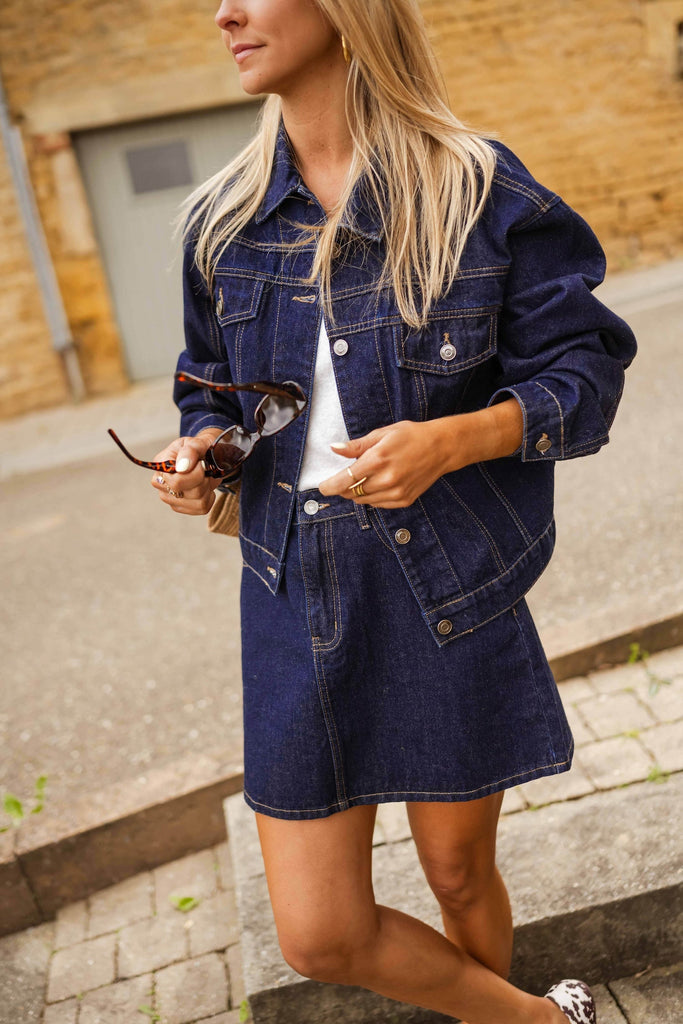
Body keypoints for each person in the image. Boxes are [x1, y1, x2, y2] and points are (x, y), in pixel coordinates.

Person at [149, 2, 637, 1021]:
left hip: (443, 576)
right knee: (318, 931)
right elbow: (207, 386)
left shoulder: (474, 188)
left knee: (457, 873)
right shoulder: (221, 221)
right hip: (293, 591)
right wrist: (204, 453)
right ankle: (546, 1019)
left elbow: (583, 374)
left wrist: (449, 441)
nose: (223, 12)